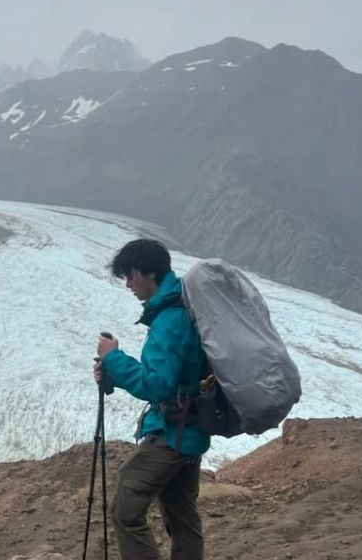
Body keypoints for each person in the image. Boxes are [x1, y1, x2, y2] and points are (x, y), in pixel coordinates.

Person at [93, 238, 209, 560]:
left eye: (130, 275)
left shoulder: (170, 320)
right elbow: (174, 375)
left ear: (149, 274)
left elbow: (158, 385)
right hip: (192, 429)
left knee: (125, 511)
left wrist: (114, 358)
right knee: (181, 513)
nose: (128, 284)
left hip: (174, 432)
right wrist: (113, 370)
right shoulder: (180, 308)